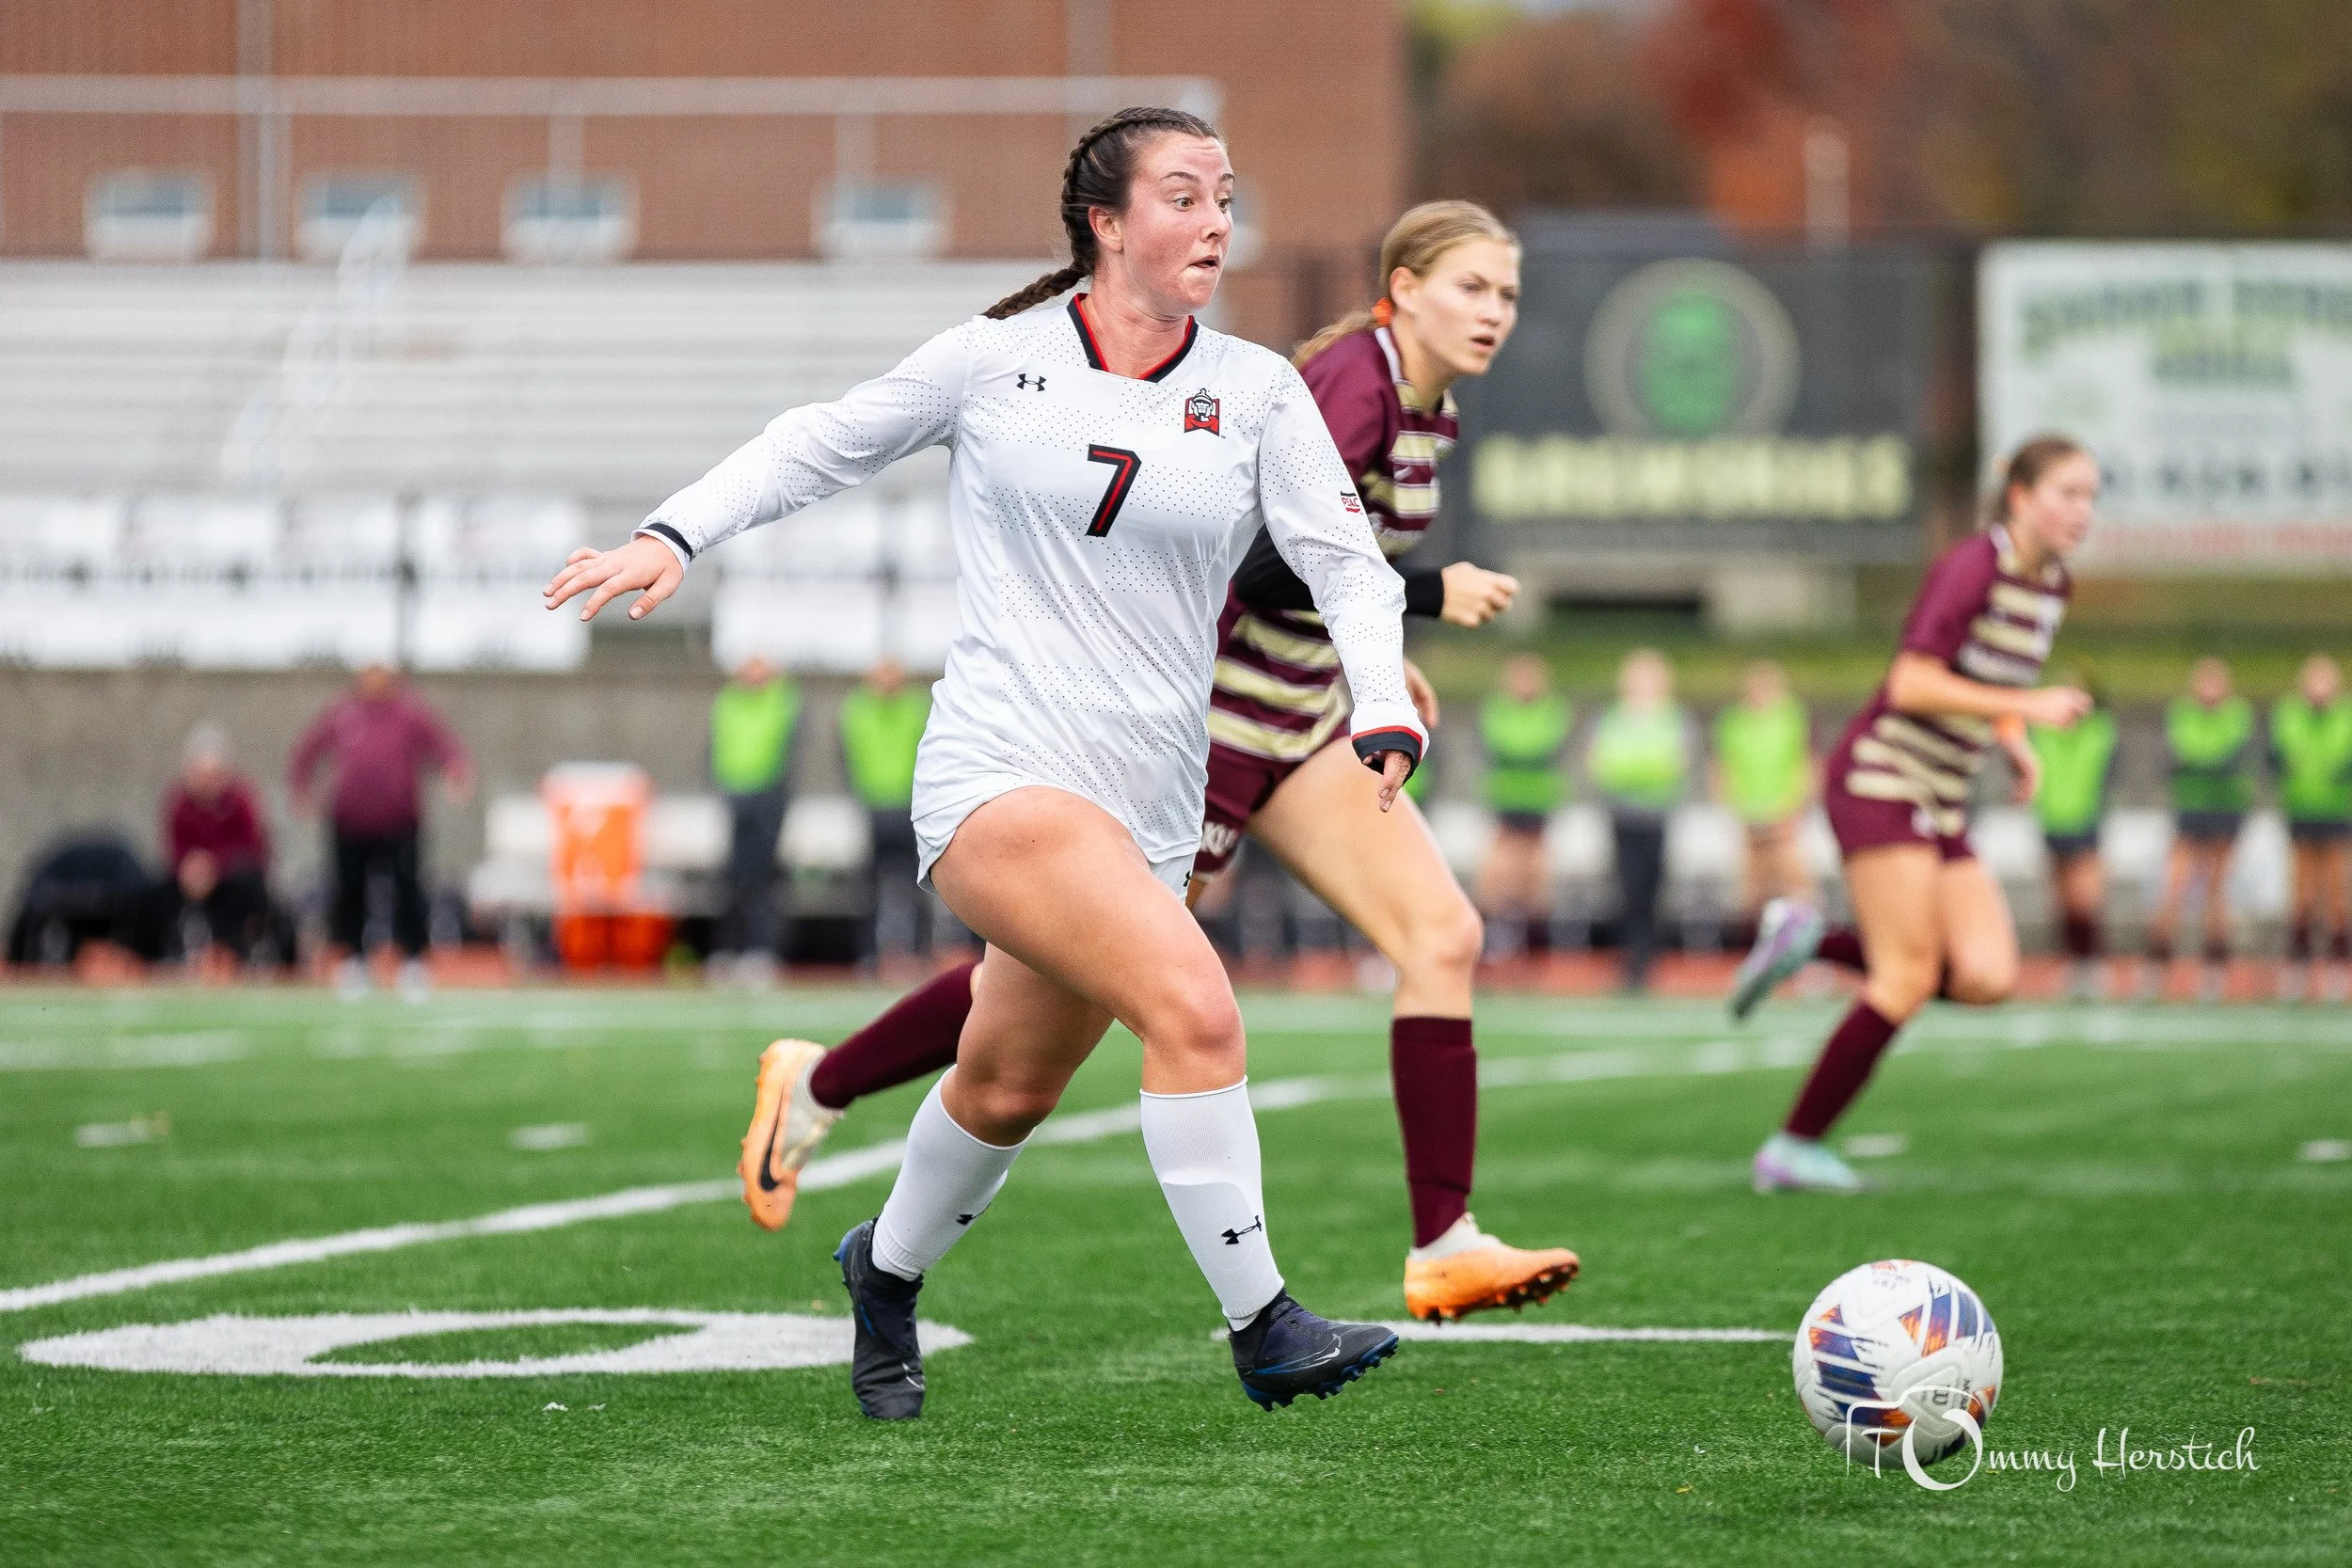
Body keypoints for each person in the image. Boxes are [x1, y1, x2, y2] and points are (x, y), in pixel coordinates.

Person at [545, 107, 1428, 1418]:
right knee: (1197, 1011)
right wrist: (679, 532)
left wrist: (1380, 705)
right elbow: (814, 441)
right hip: (997, 773)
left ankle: (883, 1270)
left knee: (1007, 1083)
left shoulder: (1255, 389)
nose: (1217, 224)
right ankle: (1266, 1322)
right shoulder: (992, 361)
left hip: (1148, 807)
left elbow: (1348, 567)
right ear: (1107, 223)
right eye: (1183, 197)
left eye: (1227, 198)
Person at [730, 199, 1578, 1329]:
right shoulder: (1351, 388)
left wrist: (1382, 666)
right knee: (1052, 989)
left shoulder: (1425, 403)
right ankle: (821, 1080)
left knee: (1442, 934)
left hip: (1298, 722)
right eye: (1472, 286)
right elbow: (1268, 569)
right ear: (1404, 286)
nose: (1494, 312)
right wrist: (1424, 592)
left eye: (1508, 295)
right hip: (1213, 728)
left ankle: (1443, 1243)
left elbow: (1329, 573)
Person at [1724, 436, 2097, 1192]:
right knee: (1905, 977)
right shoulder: (1971, 567)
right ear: (2020, 497)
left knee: (1988, 974)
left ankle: (1815, 939)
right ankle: (1791, 1147)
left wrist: (2011, 738)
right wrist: (2025, 705)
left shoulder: (2053, 584)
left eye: (2092, 495)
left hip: (1941, 794)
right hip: (1881, 778)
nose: (2082, 511)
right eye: (2068, 493)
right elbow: (1912, 684)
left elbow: (1980, 673)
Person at [288, 662, 472, 1002]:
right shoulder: (342, 714)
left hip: (399, 823)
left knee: (407, 893)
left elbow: (443, 746)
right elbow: (308, 749)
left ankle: (413, 962)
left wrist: (456, 772)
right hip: (349, 823)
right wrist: (301, 786)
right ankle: (354, 962)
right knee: (350, 894)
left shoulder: (410, 714)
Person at [2147, 657, 2255, 1002]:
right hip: (2190, 809)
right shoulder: (2181, 713)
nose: (2209, 690)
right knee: (2174, 887)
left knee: (2216, 891)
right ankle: (2158, 964)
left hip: (2225, 810)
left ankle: (2215, 968)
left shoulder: (2239, 714)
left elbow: (2225, 754)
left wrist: (2201, 762)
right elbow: (2185, 751)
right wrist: (2202, 761)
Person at [1587, 648, 1693, 992]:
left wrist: (1635, 770)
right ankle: (1630, 961)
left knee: (1654, 889)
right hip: (1622, 815)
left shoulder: (1673, 718)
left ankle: (1648, 960)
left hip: (1658, 815)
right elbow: (1603, 766)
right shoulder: (1613, 717)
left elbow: (1673, 766)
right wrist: (1641, 770)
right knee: (1626, 889)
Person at [709, 655, 801, 987]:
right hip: (736, 797)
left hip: (767, 799)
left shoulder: (781, 700)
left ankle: (761, 951)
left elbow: (788, 743)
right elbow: (717, 747)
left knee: (763, 878)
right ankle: (728, 950)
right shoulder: (728, 701)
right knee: (732, 877)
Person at [839, 657, 934, 969]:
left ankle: (918, 951)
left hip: (910, 807)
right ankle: (868, 954)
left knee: (918, 884)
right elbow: (847, 755)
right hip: (873, 806)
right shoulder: (857, 709)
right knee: (868, 887)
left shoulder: (916, 707)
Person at [2027, 668, 2117, 1000]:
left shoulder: (2099, 732)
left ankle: (2091, 964)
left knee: (2085, 899)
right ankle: (2071, 963)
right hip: (2051, 822)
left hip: (2085, 822)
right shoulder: (2042, 732)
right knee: (2061, 901)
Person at [159, 724, 280, 966]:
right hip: (191, 878)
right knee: (158, 891)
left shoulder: (240, 801)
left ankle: (231, 951)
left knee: (246, 885)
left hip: (230, 875)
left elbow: (252, 848)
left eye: (212, 775)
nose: (207, 783)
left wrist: (214, 866)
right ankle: (162, 954)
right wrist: (190, 868)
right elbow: (174, 848)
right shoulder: (180, 804)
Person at [1476, 652, 1570, 959]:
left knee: (1535, 873)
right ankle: (1497, 934)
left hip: (1539, 803)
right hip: (1505, 801)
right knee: (1499, 872)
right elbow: (1506, 744)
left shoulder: (1553, 709)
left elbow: (1539, 745)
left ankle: (1532, 942)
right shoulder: (1496, 709)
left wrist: (1522, 750)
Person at [2271, 653, 2352, 1002]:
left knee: (2337, 898)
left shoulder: (2346, 715)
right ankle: (2298, 971)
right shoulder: (2288, 714)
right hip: (2301, 812)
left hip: (2337, 814)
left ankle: (2338, 972)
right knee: (2301, 897)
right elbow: (2281, 758)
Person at [1712, 658, 1814, 930]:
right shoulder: (1734, 721)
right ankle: (1755, 943)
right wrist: (1731, 808)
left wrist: (1794, 807)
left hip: (1783, 813)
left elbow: (1803, 766)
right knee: (1752, 889)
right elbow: (1724, 769)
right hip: (1749, 813)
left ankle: (1803, 942)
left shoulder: (1792, 717)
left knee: (1794, 881)